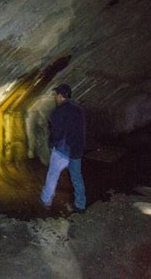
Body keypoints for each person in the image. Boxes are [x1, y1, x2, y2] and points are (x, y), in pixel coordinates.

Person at [41, 83, 87, 213]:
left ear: (61, 96)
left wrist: (51, 144)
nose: (55, 97)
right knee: (77, 177)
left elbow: (56, 132)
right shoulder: (79, 109)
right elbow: (81, 130)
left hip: (63, 150)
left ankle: (46, 200)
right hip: (76, 150)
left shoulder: (59, 111)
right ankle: (80, 205)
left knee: (52, 175)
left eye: (56, 95)